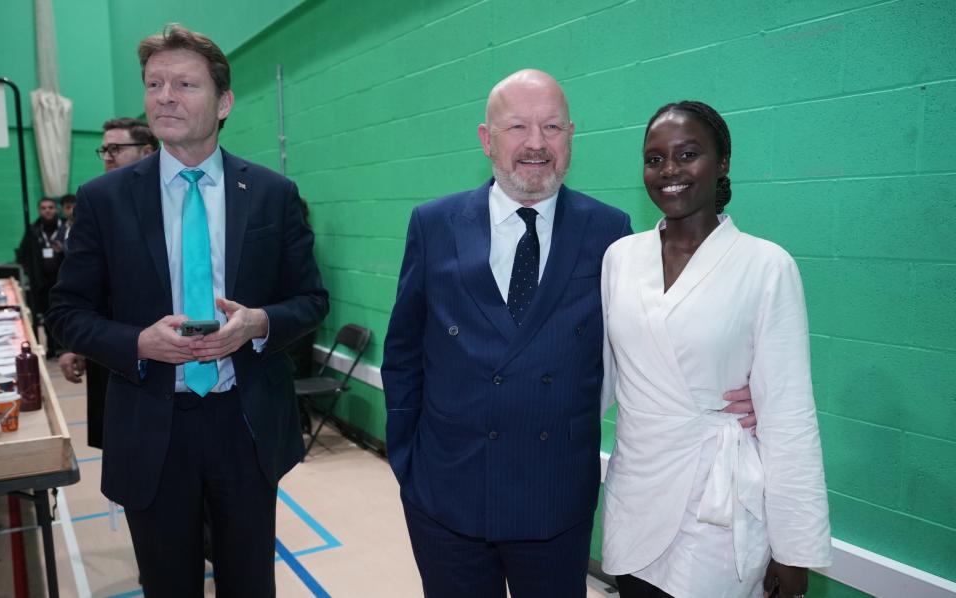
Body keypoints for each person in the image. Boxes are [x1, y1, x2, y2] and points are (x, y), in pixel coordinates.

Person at [381, 71, 755, 597]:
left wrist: (731, 398)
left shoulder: (610, 234)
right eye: (517, 127)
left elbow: (655, 343)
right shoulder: (433, 224)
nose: (536, 143)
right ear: (487, 139)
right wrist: (408, 464)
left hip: (555, 501)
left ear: (571, 136)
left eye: (552, 126)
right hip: (446, 498)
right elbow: (402, 354)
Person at [46, 23, 329, 597]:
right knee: (167, 583)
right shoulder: (106, 199)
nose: (165, 96)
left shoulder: (272, 193)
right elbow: (66, 311)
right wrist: (138, 342)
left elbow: (310, 301)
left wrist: (258, 323)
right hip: (153, 422)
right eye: (154, 84)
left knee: (250, 583)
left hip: (244, 426)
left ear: (223, 102)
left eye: (184, 84)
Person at [600, 101, 831, 598]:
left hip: (718, 507)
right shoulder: (620, 259)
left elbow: (789, 415)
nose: (669, 172)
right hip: (636, 489)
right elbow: (601, 377)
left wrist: (793, 549)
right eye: (654, 158)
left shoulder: (766, 267)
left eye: (687, 154)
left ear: (722, 161)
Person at [58, 119, 159, 449]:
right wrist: (77, 344)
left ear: (147, 152)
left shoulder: (175, 203)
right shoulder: (99, 202)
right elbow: (84, 291)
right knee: (123, 445)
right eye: (105, 149)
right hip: (114, 347)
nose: (108, 157)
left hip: (169, 355)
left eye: (116, 149)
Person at [16, 196, 65, 356]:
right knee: (47, 317)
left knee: (65, 314)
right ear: (39, 210)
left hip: (63, 281)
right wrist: (31, 273)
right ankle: (51, 347)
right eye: (43, 208)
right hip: (42, 284)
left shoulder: (65, 228)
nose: (47, 211)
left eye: (50, 207)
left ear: (56, 209)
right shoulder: (33, 230)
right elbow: (22, 254)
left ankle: (63, 347)